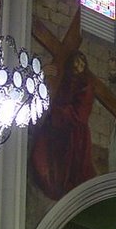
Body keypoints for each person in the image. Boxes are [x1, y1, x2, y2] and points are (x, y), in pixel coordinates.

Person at [31, 51, 96, 199]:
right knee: (43, 154)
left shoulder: (86, 85)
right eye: (77, 62)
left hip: (74, 131)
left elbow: (81, 111)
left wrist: (60, 112)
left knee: (72, 165)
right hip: (56, 125)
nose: (79, 66)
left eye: (82, 63)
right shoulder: (62, 79)